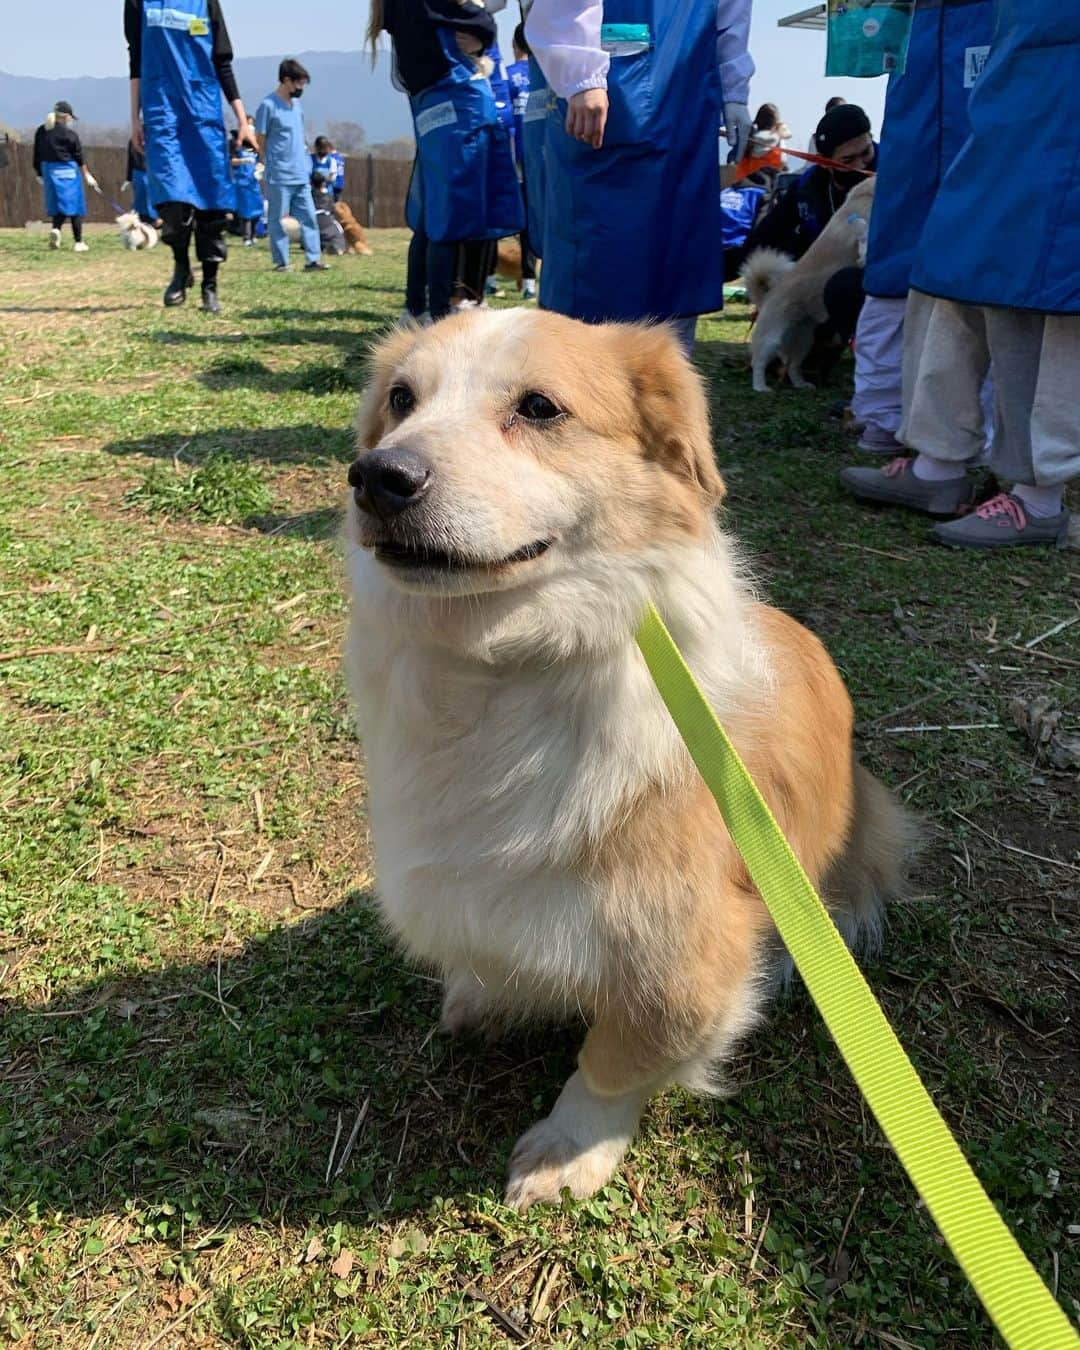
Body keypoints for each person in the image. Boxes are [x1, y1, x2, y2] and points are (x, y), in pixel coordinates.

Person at [840, 4, 1078, 549]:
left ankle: (1038, 497)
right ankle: (938, 464)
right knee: (951, 270)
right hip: (1007, 90)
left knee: (1042, 297)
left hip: (1063, 94)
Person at [524, 0, 754, 354]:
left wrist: (735, 89)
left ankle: (665, 396)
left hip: (688, 105)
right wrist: (581, 75)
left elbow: (731, 12)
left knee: (676, 262)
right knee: (598, 269)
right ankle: (581, 395)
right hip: (611, 96)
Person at [847, 0, 995, 455]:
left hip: (978, 62)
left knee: (981, 278)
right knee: (894, 269)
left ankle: (982, 431)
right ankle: (884, 414)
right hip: (919, 80)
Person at [368, 0, 521, 323]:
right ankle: (439, 314)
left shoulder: (393, 9)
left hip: (430, 112)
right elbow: (482, 22)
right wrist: (481, 30)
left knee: (431, 216)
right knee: (451, 218)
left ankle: (416, 308)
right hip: (461, 108)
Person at [126, 0, 255, 314]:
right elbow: (136, 59)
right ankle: (181, 267)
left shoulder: (206, 3)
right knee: (171, 199)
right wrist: (134, 119)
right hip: (163, 111)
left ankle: (210, 286)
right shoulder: (138, 2)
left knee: (212, 201)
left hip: (202, 111)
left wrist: (242, 121)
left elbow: (222, 61)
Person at [745, 102, 876, 262]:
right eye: (848, 160)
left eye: (866, 152)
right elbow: (764, 239)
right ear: (824, 162)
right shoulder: (805, 189)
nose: (861, 165)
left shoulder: (895, 175)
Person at [255, 59, 330, 274]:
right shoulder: (268, 106)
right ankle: (281, 262)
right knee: (277, 220)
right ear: (286, 80)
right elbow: (261, 137)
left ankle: (313, 260)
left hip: (300, 173)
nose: (301, 88)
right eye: (299, 83)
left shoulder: (297, 106)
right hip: (278, 174)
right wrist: (265, 161)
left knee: (308, 217)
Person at [32, 101, 99, 253]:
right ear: (66, 116)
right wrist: (87, 175)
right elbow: (79, 157)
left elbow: (36, 154)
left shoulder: (41, 131)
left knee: (57, 205)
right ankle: (78, 242)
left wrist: (39, 173)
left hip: (48, 171)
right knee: (75, 206)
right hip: (68, 170)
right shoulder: (70, 135)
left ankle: (56, 229)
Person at [506, 22, 538, 299]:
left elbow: (502, 120)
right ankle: (531, 280)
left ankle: (489, 277)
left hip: (512, 159)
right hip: (541, 157)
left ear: (514, 46)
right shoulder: (544, 75)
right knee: (534, 218)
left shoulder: (508, 77)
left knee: (503, 217)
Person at [230, 123, 264, 246]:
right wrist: (243, 161)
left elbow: (260, 162)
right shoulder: (237, 147)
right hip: (242, 183)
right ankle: (246, 237)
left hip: (254, 183)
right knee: (246, 212)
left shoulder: (255, 149)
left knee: (257, 209)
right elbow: (231, 161)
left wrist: (260, 168)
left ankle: (254, 234)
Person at [310, 171, 347, 255]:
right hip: (326, 221)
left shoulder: (308, 195)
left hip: (312, 222)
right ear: (323, 183)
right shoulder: (328, 196)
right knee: (337, 231)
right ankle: (337, 247)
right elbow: (332, 211)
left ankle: (322, 245)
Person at [121, 136, 155, 225]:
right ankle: (142, 220)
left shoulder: (152, 137)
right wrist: (128, 178)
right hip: (138, 172)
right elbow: (130, 159)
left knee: (150, 198)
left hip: (150, 172)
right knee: (140, 199)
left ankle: (154, 220)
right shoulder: (133, 140)